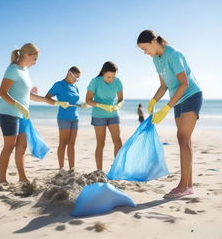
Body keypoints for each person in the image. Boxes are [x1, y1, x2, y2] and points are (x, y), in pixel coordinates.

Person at [137, 30, 202, 199]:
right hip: (178, 100)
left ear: (153, 42)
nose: (145, 53)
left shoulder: (173, 54)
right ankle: (189, 186)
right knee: (184, 140)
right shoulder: (156, 60)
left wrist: (166, 107)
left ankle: (182, 186)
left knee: (182, 137)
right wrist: (153, 100)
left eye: (145, 48)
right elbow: (163, 86)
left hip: (191, 95)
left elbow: (184, 83)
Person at [0, 43, 54, 183]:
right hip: (9, 114)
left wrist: (45, 100)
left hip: (23, 115)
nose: (35, 63)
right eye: (34, 59)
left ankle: (22, 178)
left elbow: (27, 95)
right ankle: (2, 179)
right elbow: (2, 93)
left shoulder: (25, 71)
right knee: (9, 146)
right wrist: (18, 105)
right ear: (27, 55)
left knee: (22, 146)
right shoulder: (13, 69)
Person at [45, 66, 87, 171]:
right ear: (69, 74)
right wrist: (58, 103)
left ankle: (72, 168)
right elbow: (47, 98)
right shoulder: (59, 85)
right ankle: (61, 168)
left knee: (72, 143)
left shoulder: (75, 87)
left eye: (78, 79)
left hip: (75, 118)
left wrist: (82, 104)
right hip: (63, 118)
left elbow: (75, 101)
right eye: (75, 78)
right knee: (63, 143)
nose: (76, 80)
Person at [86, 61, 123, 170]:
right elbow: (88, 100)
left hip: (113, 114)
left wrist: (119, 105)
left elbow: (121, 99)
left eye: (113, 77)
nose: (110, 79)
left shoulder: (117, 82)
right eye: (108, 77)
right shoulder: (95, 82)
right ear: (103, 72)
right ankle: (99, 171)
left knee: (118, 141)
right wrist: (101, 105)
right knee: (101, 143)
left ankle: (117, 168)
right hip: (98, 116)